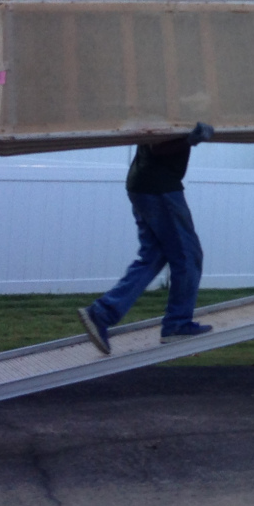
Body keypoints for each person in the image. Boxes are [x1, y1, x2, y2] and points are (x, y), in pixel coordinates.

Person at [78, 121, 216, 354]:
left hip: (143, 183)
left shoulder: (160, 103)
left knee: (153, 255)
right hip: (159, 188)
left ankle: (102, 313)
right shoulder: (167, 108)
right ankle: (177, 324)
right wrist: (190, 140)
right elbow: (156, 146)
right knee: (188, 255)